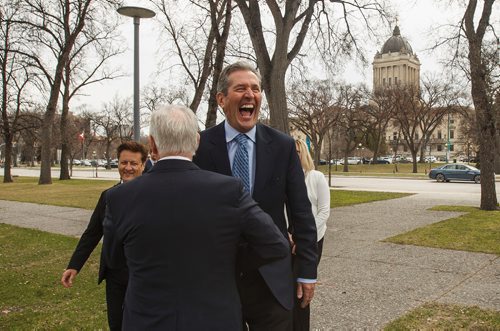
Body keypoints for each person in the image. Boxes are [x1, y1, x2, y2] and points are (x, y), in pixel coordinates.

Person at [103, 104, 289, 330]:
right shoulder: (228, 191)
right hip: (215, 319)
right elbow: (276, 244)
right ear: (197, 141)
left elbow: (114, 259)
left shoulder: (120, 197)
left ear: (152, 144)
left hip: (147, 319)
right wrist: (230, 259)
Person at [193, 61, 318, 330]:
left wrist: (307, 271)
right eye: (240, 88)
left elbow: (302, 213)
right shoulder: (200, 146)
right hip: (218, 279)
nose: (250, 94)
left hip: (272, 279)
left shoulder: (283, 146)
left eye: (255, 89)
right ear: (222, 99)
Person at [61, 141, 147, 331]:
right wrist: (74, 266)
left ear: (143, 164)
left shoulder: (154, 196)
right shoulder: (108, 196)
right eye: (124, 163)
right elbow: (92, 234)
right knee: (116, 324)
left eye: (133, 163)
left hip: (144, 275)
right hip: (115, 275)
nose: (128, 168)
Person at [293, 139, 331, 330]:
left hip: (313, 239)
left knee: (302, 287)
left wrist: (303, 237)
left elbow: (324, 211)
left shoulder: (316, 177)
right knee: (290, 287)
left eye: (298, 152)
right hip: (290, 239)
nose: (294, 156)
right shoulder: (285, 178)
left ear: (305, 154)